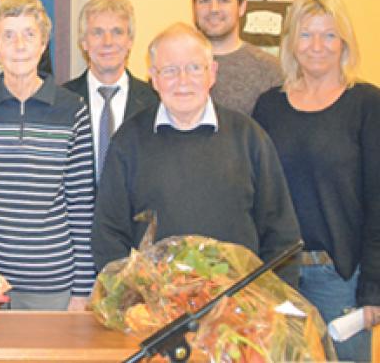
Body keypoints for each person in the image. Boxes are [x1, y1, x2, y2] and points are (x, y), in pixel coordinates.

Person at [92, 23, 301, 286]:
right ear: (153, 77)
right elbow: (108, 235)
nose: (182, 81)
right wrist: (134, 297)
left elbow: (280, 234)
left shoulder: (249, 137)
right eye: (170, 70)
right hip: (153, 312)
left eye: (193, 68)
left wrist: (273, 304)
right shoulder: (128, 141)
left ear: (212, 72)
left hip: (237, 312)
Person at [252, 0, 380, 361]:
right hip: (279, 276)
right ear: (291, 42)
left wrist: (373, 288)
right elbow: (257, 194)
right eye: (306, 34)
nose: (317, 45)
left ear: (344, 42)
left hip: (341, 278)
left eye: (329, 34)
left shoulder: (366, 104)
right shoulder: (269, 106)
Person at [0, 0, 95, 311]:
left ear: (43, 43)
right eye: (8, 35)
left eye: (29, 34)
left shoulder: (72, 109)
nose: (19, 44)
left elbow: (81, 204)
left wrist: (81, 291)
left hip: (51, 282)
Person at [63, 0, 157, 180]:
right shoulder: (63, 100)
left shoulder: (154, 101)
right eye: (97, 32)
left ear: (130, 41)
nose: (108, 42)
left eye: (117, 32)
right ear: (84, 42)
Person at [192, 0, 283, 114]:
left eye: (224, 0)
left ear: (242, 7)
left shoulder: (270, 70)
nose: (213, 9)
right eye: (204, 0)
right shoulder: (176, 68)